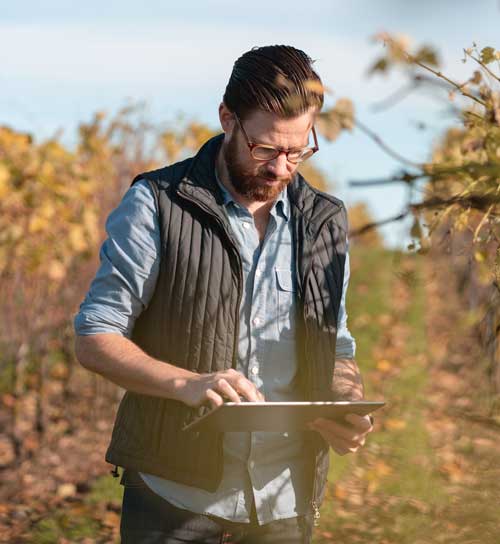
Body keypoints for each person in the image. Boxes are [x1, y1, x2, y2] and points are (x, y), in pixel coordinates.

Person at [74, 44, 373, 544]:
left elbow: (336, 343)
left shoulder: (325, 220)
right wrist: (185, 384)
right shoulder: (157, 204)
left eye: (297, 150)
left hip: (285, 502)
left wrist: (346, 401)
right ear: (227, 119)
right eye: (265, 149)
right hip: (174, 498)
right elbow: (94, 335)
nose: (281, 168)